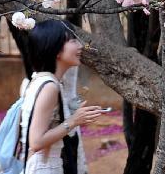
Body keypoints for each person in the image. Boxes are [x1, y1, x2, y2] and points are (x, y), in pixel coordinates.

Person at [19, 20, 105, 174]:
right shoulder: (49, 87)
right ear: (56, 50)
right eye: (73, 41)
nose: (80, 46)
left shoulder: (40, 80)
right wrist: (74, 121)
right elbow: (36, 141)